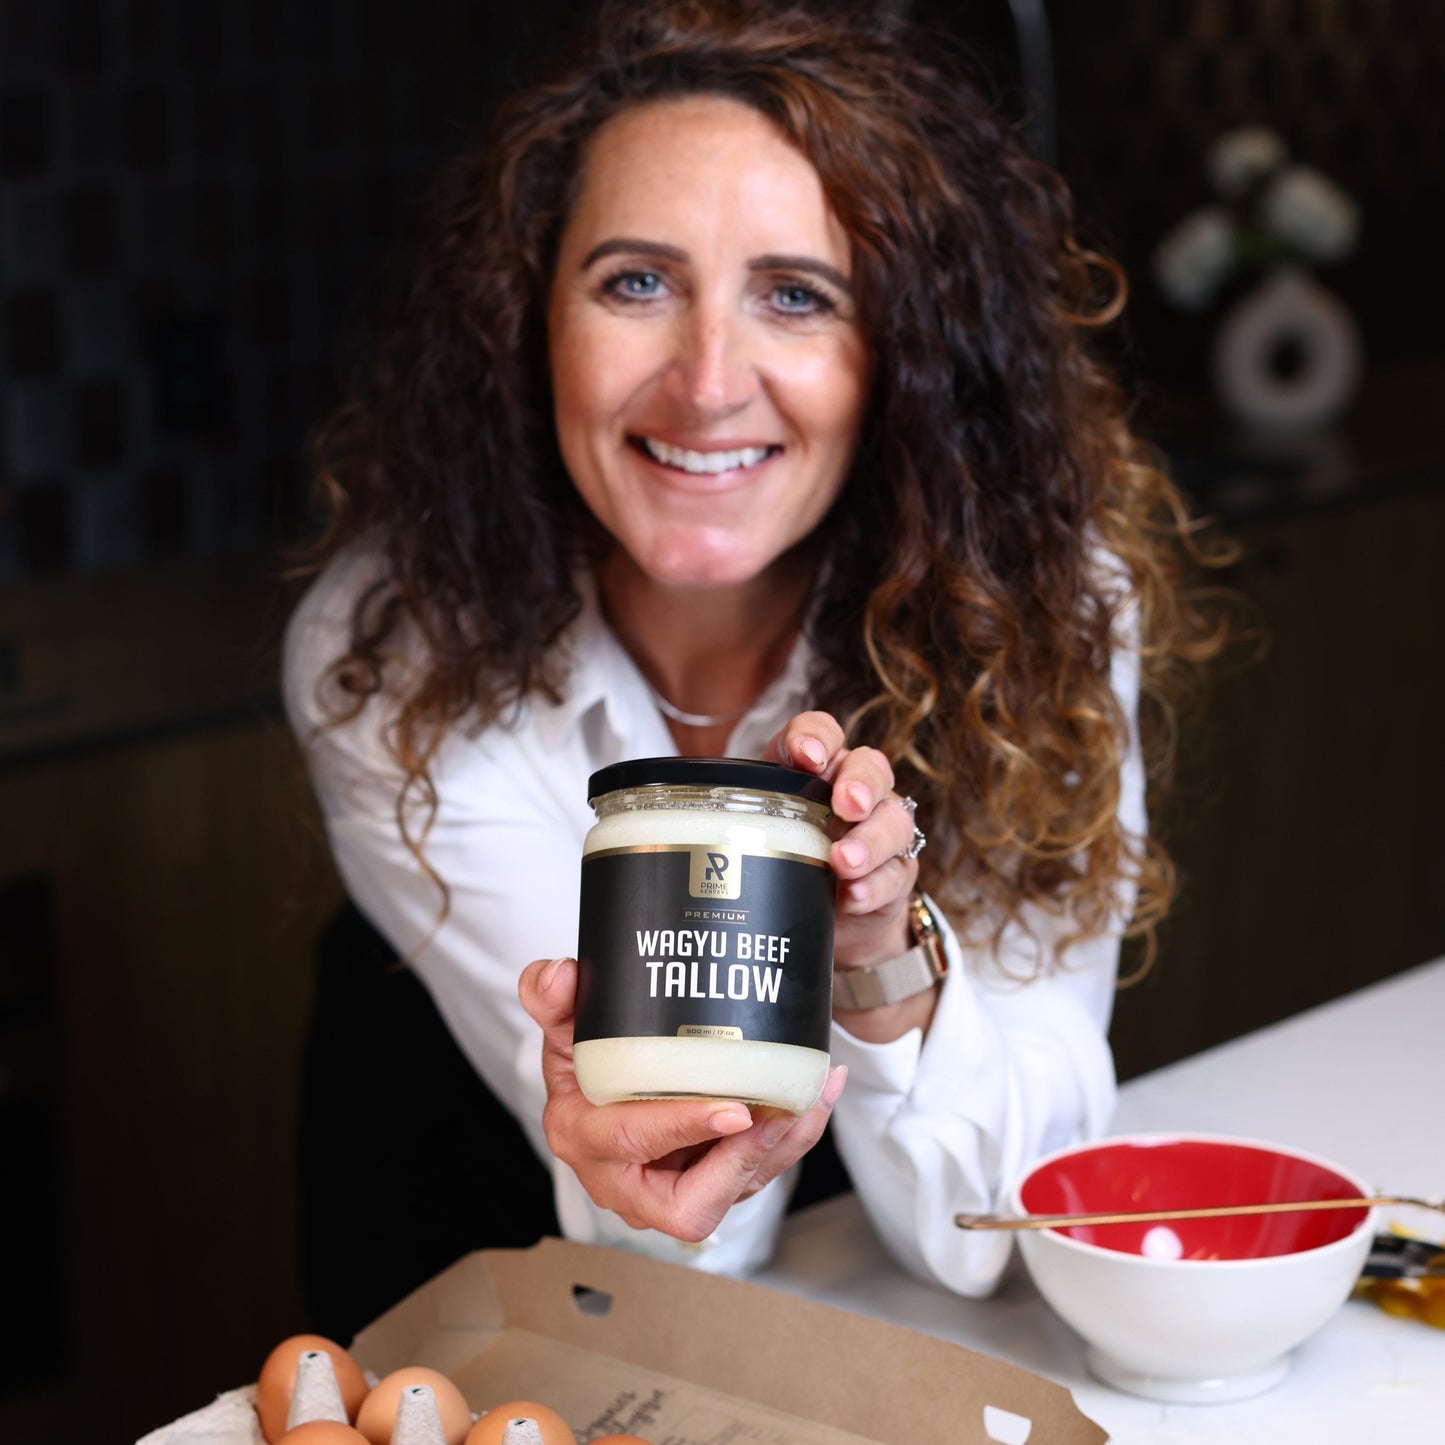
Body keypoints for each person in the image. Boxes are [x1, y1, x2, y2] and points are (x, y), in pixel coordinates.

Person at [283, 0, 1224, 1307]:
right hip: (485, 1208)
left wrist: (880, 971)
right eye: (634, 282)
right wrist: (661, 1128)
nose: (707, 380)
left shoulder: (1037, 609)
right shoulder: (389, 650)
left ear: (900, 355)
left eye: (795, 294)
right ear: (528, 320)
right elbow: (683, 1235)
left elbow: (990, 1232)